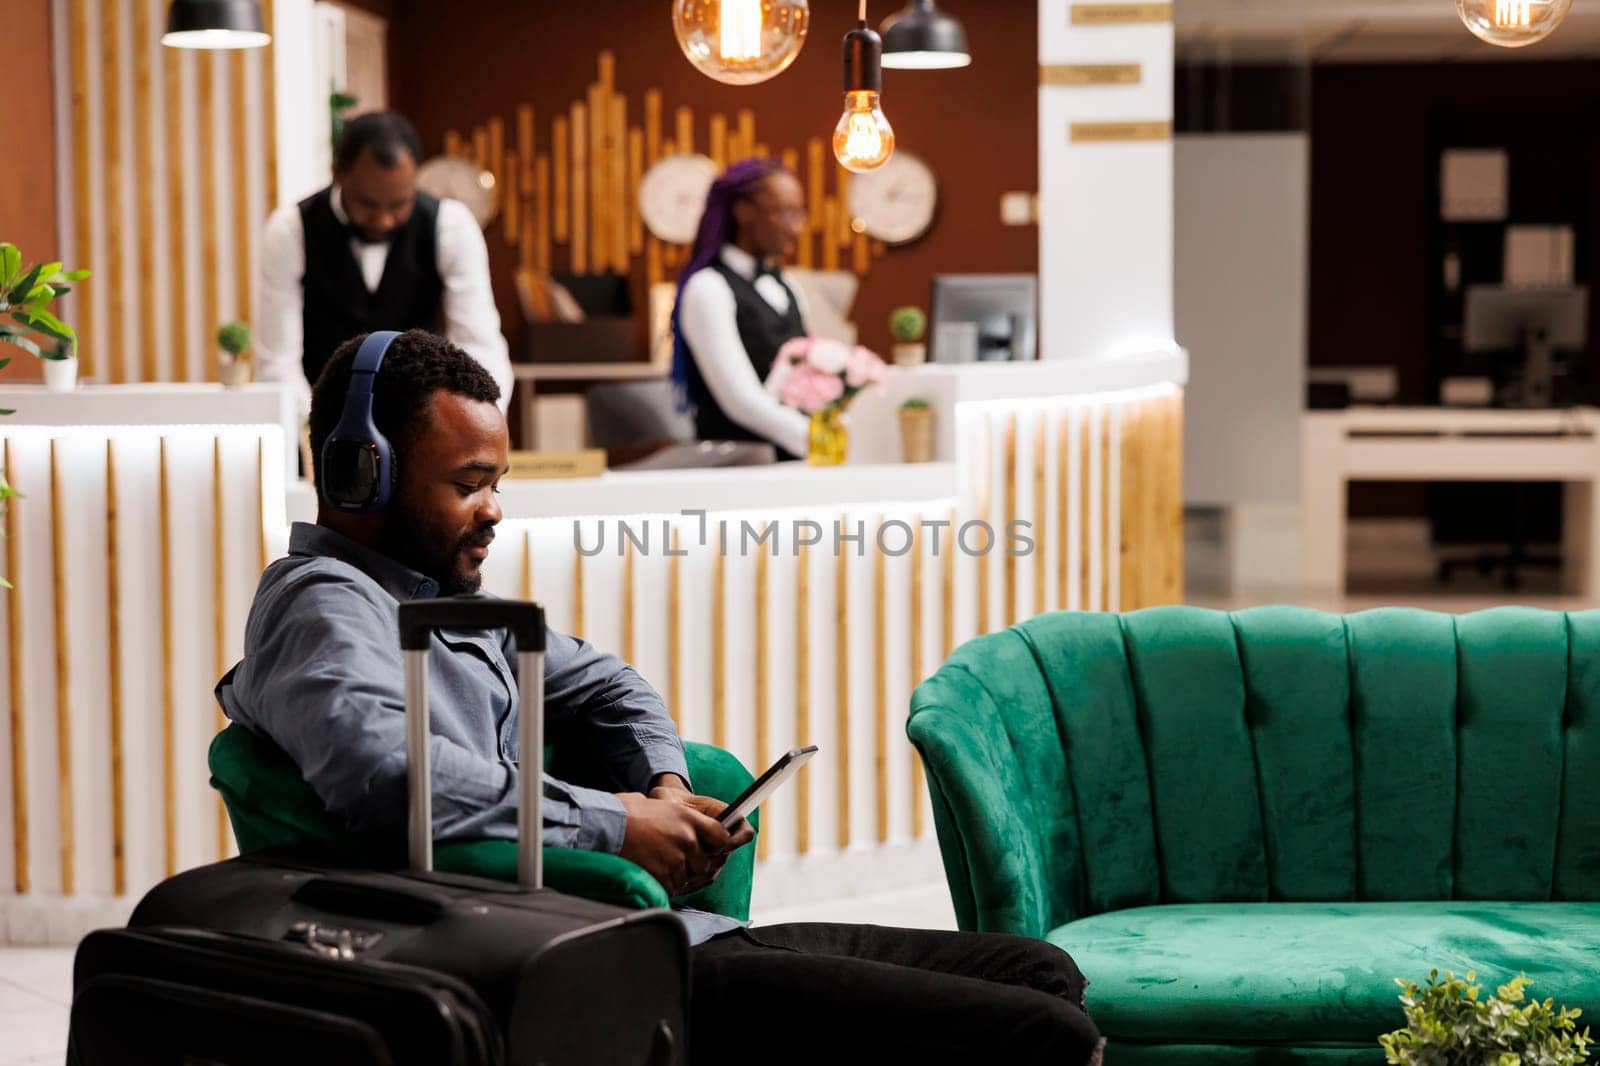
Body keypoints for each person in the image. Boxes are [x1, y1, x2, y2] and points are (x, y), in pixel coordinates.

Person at [216, 329, 1103, 1066]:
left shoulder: (444, 601)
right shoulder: (324, 605)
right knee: (1043, 1030)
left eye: (497, 484)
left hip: (661, 933)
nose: (494, 511)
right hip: (563, 959)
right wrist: (616, 823)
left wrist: (669, 792)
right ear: (358, 475)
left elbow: (611, 685)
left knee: (1040, 971)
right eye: (468, 484)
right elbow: (383, 773)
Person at [255, 111, 514, 416]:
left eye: (398, 204)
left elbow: (478, 340)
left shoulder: (452, 225)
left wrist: (476, 414)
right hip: (320, 419)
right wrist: (313, 427)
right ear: (337, 173)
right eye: (368, 204)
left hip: (422, 422)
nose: (384, 220)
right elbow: (277, 361)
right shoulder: (291, 229)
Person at [671, 158, 814, 461]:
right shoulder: (708, 287)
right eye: (784, 213)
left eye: (798, 214)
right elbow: (742, 401)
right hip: (737, 465)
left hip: (794, 461)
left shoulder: (787, 285)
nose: (795, 228)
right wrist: (818, 439)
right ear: (744, 212)